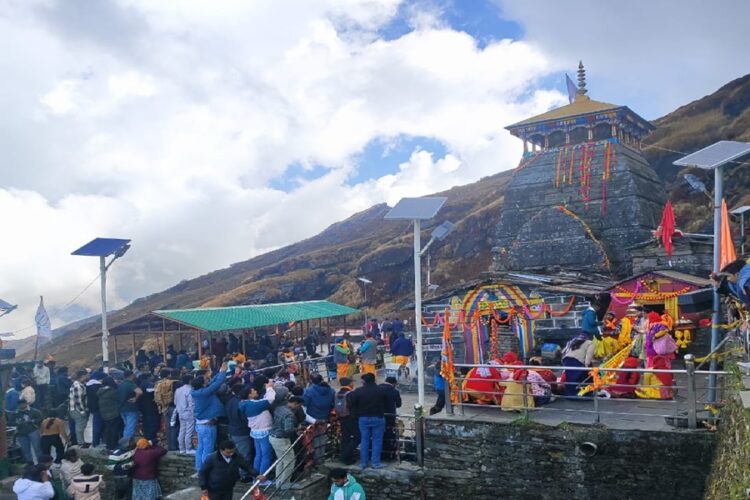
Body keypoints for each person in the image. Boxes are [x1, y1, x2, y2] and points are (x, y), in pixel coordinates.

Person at [191, 364, 228, 475]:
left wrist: (219, 372)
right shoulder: (204, 393)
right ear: (202, 384)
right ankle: (205, 471)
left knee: (201, 448)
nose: (208, 380)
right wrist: (222, 372)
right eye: (206, 379)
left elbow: (212, 383)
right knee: (208, 449)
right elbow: (216, 384)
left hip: (201, 425)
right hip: (207, 425)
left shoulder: (198, 391)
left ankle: (199, 469)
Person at [239, 379, 276, 486]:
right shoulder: (253, 405)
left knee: (259, 455)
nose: (255, 391)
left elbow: (262, 401)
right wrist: (269, 387)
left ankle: (256, 477)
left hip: (255, 431)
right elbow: (270, 399)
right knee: (266, 455)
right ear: (249, 395)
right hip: (263, 431)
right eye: (253, 391)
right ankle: (262, 479)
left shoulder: (245, 404)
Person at [347, 372, 386, 470]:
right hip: (378, 417)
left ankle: (363, 463)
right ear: (374, 379)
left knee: (364, 441)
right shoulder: (381, 390)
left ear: (364, 381)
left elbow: (351, 403)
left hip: (363, 418)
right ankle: (375, 463)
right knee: (377, 441)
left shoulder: (359, 391)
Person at [268, 388, 302, 489]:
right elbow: (288, 429)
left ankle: (279, 481)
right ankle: (285, 483)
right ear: (295, 403)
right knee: (290, 460)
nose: (298, 408)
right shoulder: (289, 414)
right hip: (281, 439)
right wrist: (297, 429)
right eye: (298, 405)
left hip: (273, 436)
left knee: (281, 460)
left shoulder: (279, 408)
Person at [303, 374, 335, 464]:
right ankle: (321, 458)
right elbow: (333, 405)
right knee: (322, 439)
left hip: (311, 420)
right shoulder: (331, 391)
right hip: (324, 419)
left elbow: (304, 408)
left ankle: (316, 460)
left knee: (312, 441)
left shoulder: (309, 391)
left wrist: (313, 420)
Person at [224, 383, 252, 482]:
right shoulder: (240, 403)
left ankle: (235, 473)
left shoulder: (230, 400)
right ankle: (243, 475)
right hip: (241, 432)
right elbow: (244, 418)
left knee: (234, 454)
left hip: (232, 430)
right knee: (244, 454)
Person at [334, 377, 358, 464]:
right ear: (350, 383)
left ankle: (347, 458)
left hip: (341, 418)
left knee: (345, 438)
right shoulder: (351, 394)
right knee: (357, 438)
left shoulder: (337, 393)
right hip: (351, 418)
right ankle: (344, 455)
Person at [378, 376, 401, 461]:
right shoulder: (395, 391)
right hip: (389, 417)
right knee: (389, 436)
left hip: (378, 416)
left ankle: (377, 455)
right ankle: (387, 455)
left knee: (377, 436)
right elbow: (399, 404)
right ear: (394, 383)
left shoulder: (377, 388)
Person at [14, 398, 43, 465]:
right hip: (21, 433)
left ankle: (41, 464)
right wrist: (16, 423)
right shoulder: (16, 413)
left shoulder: (34, 411)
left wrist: (32, 421)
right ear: (18, 405)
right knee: (25, 451)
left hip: (33, 431)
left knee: (37, 448)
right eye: (20, 404)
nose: (22, 405)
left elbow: (40, 418)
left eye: (23, 404)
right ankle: (30, 465)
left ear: (26, 404)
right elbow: (11, 422)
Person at [97, 376, 121, 450]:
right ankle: (113, 446)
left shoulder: (100, 391)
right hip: (113, 413)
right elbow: (119, 399)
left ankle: (109, 445)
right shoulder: (112, 391)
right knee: (114, 430)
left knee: (108, 430)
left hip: (104, 414)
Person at [174, 374, 195, 454]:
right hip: (188, 412)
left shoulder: (178, 390)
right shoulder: (190, 390)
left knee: (182, 430)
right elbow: (191, 403)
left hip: (180, 412)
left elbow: (175, 401)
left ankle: (181, 449)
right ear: (190, 381)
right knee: (189, 431)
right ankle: (188, 449)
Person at [118, 370, 142, 440]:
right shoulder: (130, 384)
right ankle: (126, 443)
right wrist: (135, 398)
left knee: (127, 426)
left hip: (122, 409)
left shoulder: (121, 384)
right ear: (131, 375)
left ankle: (125, 441)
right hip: (131, 409)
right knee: (130, 427)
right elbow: (140, 392)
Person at [69, 369, 90, 446]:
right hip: (77, 409)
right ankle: (80, 443)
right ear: (83, 376)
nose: (88, 376)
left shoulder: (80, 384)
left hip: (76, 409)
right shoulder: (78, 386)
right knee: (80, 426)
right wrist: (82, 411)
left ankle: (81, 442)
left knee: (81, 426)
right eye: (87, 375)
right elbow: (78, 401)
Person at [85, 372, 103, 448]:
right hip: (100, 408)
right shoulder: (99, 386)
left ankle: (95, 442)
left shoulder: (87, 386)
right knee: (98, 425)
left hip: (92, 408)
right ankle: (96, 442)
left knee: (96, 425)